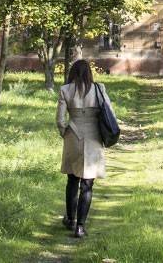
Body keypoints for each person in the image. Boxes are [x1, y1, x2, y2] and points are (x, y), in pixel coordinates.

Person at [56, 59, 112, 238]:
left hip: (73, 135)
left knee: (72, 179)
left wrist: (65, 132)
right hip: (94, 137)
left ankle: (70, 219)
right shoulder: (99, 89)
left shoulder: (66, 90)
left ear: (73, 72)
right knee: (87, 183)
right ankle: (80, 227)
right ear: (89, 72)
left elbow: (60, 119)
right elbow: (110, 112)